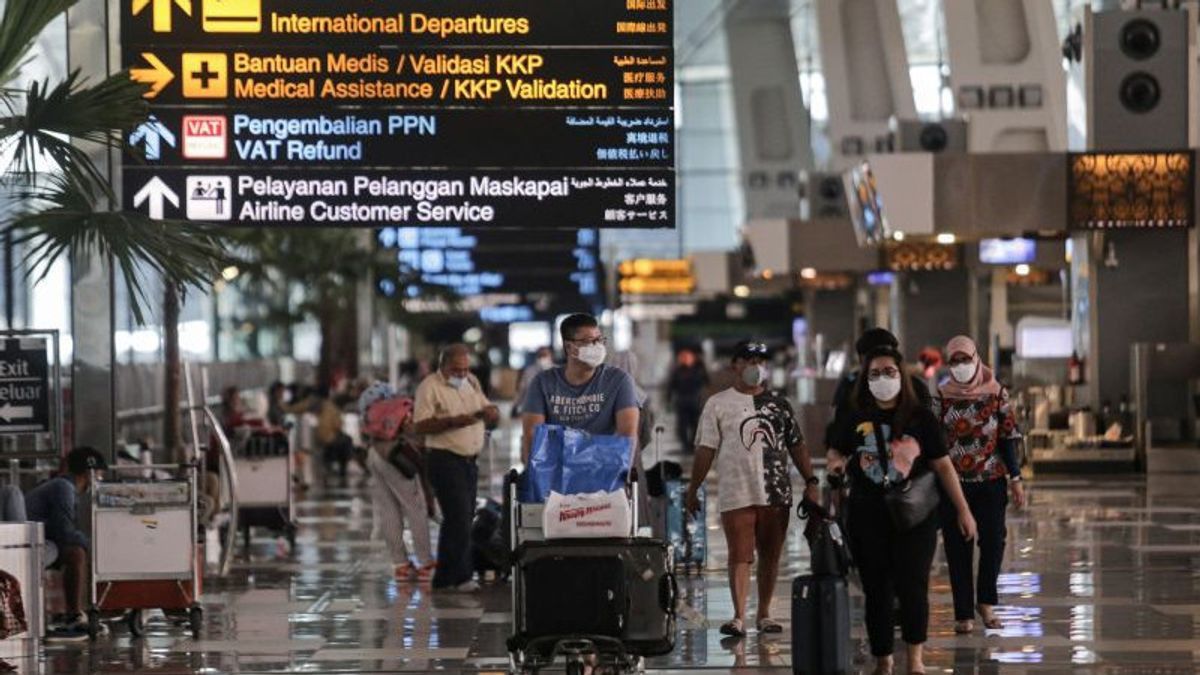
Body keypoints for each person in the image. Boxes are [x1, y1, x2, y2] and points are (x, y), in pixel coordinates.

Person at [827, 345, 977, 675]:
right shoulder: (855, 417)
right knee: (876, 589)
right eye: (876, 373)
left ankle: (915, 659)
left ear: (903, 376)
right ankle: (883, 660)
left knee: (913, 587)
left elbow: (943, 466)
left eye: (890, 372)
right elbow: (835, 451)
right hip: (868, 516)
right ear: (866, 378)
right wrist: (835, 469)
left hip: (915, 516)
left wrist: (963, 510)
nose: (883, 379)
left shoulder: (920, 417)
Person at [684, 341, 819, 638]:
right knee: (739, 554)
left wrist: (811, 481)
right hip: (736, 491)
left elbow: (797, 446)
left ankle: (765, 614)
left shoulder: (780, 404)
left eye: (760, 360)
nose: (755, 366)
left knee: (770, 555)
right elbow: (705, 449)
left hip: (776, 492)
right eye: (748, 359)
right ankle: (738, 617)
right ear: (734, 365)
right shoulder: (717, 404)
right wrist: (694, 488)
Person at [936, 335, 1025, 635]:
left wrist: (1016, 479)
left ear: (977, 358)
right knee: (957, 546)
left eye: (966, 359)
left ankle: (985, 602)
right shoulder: (940, 396)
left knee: (993, 542)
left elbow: (1008, 438)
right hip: (953, 485)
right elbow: (932, 442)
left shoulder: (996, 392)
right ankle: (964, 613)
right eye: (955, 361)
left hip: (991, 480)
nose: (961, 366)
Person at [413, 344, 499, 592]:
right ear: (443, 367)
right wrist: (453, 422)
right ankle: (458, 576)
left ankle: (447, 576)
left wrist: (490, 412)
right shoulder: (429, 387)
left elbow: (483, 406)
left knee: (463, 517)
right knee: (458, 517)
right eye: (456, 370)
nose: (462, 374)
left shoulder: (471, 381)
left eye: (465, 369)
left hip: (468, 461)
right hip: (444, 459)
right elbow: (420, 426)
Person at [520, 313, 640, 464]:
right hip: (556, 475)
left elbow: (627, 435)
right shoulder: (543, 383)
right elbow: (532, 436)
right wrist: (539, 479)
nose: (597, 346)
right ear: (570, 348)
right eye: (589, 341)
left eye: (599, 340)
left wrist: (620, 477)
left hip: (604, 473)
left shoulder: (619, 381)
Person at [25, 446, 108, 641]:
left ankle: (75, 612)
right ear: (90, 472)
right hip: (32, 542)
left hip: (36, 539)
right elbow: (63, 531)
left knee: (77, 550)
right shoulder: (63, 488)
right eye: (100, 474)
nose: (99, 480)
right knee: (77, 553)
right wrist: (92, 545)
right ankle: (74, 616)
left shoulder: (62, 487)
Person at [358, 383, 436, 583]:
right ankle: (426, 563)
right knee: (415, 508)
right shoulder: (404, 405)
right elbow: (415, 433)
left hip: (375, 453)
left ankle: (400, 564)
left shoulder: (373, 405)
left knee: (389, 510)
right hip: (394, 456)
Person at [825, 328, 932, 451]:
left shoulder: (915, 387)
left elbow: (929, 431)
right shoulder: (850, 386)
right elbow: (837, 431)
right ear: (862, 361)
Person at [666, 349, 709, 454]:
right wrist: (668, 399)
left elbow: (706, 381)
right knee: (684, 426)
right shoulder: (679, 372)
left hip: (692, 402)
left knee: (692, 425)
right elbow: (671, 387)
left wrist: (668, 399)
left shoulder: (694, 371)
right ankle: (687, 446)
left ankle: (690, 446)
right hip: (686, 402)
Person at [512, 347, 554, 417]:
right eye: (541, 355)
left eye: (545, 355)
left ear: (551, 356)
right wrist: (515, 406)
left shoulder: (558, 372)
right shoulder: (529, 372)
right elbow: (522, 391)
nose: (543, 358)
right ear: (537, 357)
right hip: (533, 410)